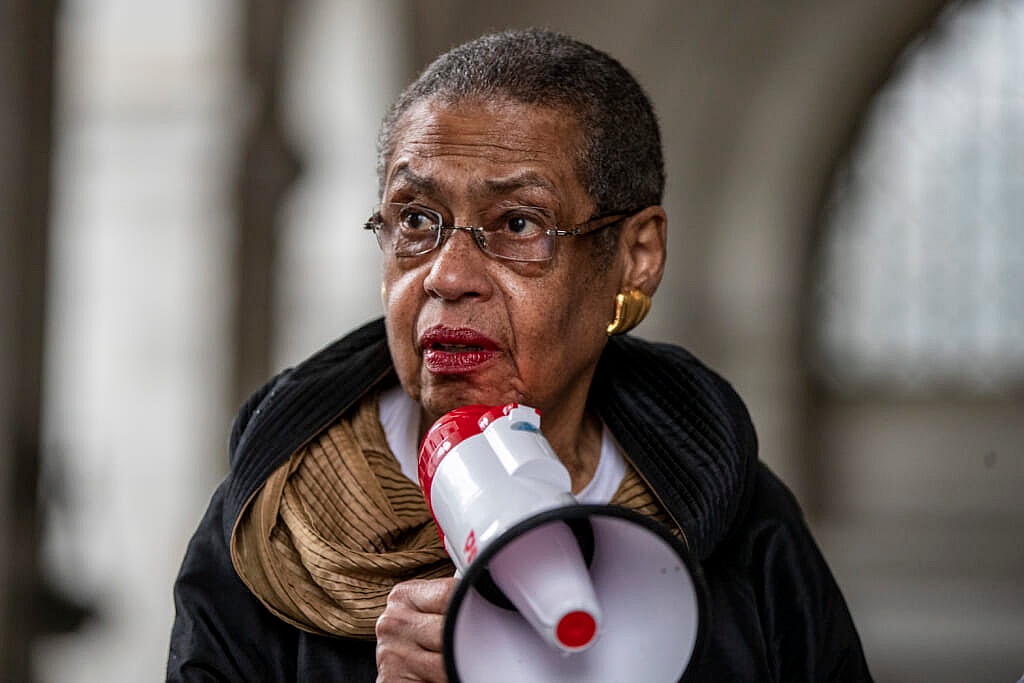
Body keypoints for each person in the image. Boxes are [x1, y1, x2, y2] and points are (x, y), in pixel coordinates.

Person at [167, 28, 872, 682]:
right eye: (414, 219)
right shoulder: (273, 522)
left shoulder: (745, 529)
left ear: (636, 256)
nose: (446, 275)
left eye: (516, 223)